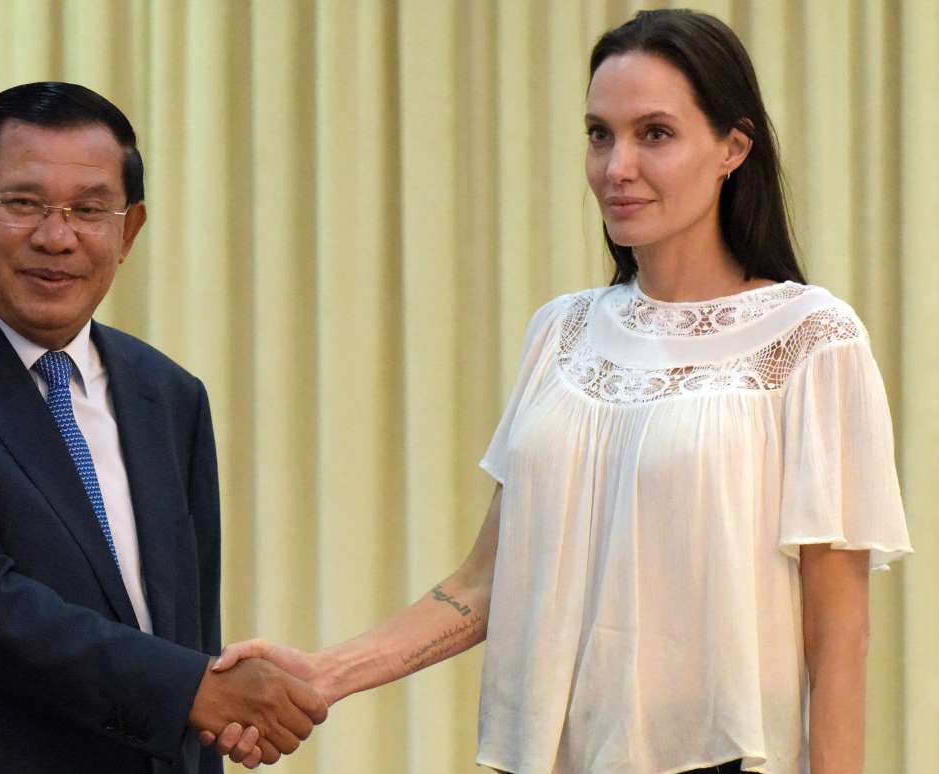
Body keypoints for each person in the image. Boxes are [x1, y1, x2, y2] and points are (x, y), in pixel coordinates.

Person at [207, 10, 912, 774]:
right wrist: (322, 674)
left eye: (656, 134)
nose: (617, 167)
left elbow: (839, 631)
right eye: (599, 134)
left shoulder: (811, 337)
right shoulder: (562, 332)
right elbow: (487, 580)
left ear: (733, 148)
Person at [0, 81, 325, 774]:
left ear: (129, 229)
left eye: (89, 210)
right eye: (23, 203)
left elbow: (187, 626)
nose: (56, 237)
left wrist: (207, 702)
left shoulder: (169, 396)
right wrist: (193, 690)